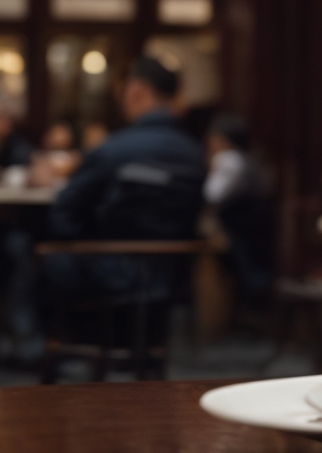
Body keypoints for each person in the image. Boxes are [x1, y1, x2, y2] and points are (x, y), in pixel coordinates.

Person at [40, 58, 206, 298]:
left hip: (110, 274)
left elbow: (64, 214)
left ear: (137, 91)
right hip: (176, 274)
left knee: (47, 258)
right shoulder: (196, 154)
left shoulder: (114, 150)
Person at [204, 114, 274, 297]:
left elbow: (212, 194)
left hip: (239, 226)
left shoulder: (228, 159)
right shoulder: (249, 159)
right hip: (254, 225)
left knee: (247, 274)